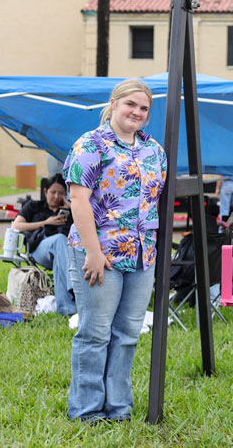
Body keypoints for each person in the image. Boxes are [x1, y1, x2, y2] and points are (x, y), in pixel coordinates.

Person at [63, 79, 167, 422]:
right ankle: (87, 410)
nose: (137, 112)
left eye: (144, 108)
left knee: (127, 334)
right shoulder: (91, 144)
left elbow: (155, 199)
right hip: (99, 253)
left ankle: (118, 407)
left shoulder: (154, 150)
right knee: (95, 333)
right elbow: (78, 199)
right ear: (114, 103)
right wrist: (93, 253)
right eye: (131, 105)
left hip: (141, 255)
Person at [12, 173, 75, 315]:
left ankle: (67, 310)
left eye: (61, 194)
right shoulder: (33, 206)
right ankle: (74, 288)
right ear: (45, 191)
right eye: (53, 192)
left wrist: (72, 208)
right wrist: (46, 223)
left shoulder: (69, 211)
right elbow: (16, 226)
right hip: (39, 249)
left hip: (64, 253)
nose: (56, 197)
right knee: (59, 239)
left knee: (61, 256)